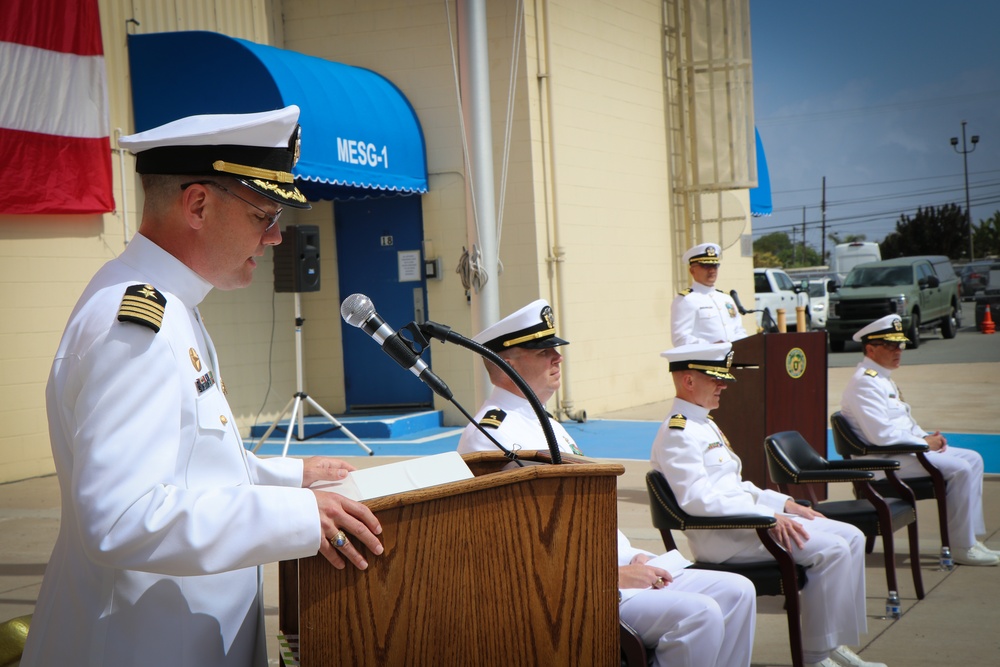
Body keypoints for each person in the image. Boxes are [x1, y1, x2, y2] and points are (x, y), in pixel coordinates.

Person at [22, 106, 384, 667]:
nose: (276, 239)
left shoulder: (169, 305)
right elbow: (120, 518)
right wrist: (296, 518)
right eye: (265, 215)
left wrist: (292, 476)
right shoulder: (137, 326)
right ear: (197, 204)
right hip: (138, 647)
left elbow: (186, 461)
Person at [459, 301, 756, 667]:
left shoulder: (542, 422)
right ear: (508, 363)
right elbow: (515, 543)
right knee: (700, 614)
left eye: (556, 349)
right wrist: (611, 574)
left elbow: (582, 516)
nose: (558, 358)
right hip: (571, 587)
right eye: (543, 351)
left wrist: (632, 556)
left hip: (602, 566)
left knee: (738, 590)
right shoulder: (491, 435)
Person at [650, 342, 886, 667]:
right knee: (830, 549)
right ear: (688, 381)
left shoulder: (703, 423)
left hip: (749, 525)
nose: (723, 384)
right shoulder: (678, 431)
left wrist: (785, 504)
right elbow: (699, 500)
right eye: (716, 378)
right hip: (727, 539)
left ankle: (833, 642)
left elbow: (735, 487)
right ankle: (816, 655)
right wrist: (767, 516)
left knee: (851, 536)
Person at [839, 314, 998, 567]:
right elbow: (881, 436)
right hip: (882, 462)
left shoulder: (881, 378)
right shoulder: (865, 384)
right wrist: (925, 444)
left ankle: (970, 538)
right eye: (890, 345)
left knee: (974, 459)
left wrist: (926, 437)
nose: (898, 350)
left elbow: (902, 423)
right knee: (960, 469)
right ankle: (961, 547)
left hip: (899, 453)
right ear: (870, 348)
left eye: (900, 344)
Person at [670, 242, 748, 346]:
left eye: (715, 265)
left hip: (733, 358)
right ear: (692, 271)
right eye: (706, 266)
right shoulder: (686, 300)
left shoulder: (726, 298)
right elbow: (680, 339)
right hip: (706, 360)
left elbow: (738, 330)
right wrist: (711, 345)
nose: (712, 270)